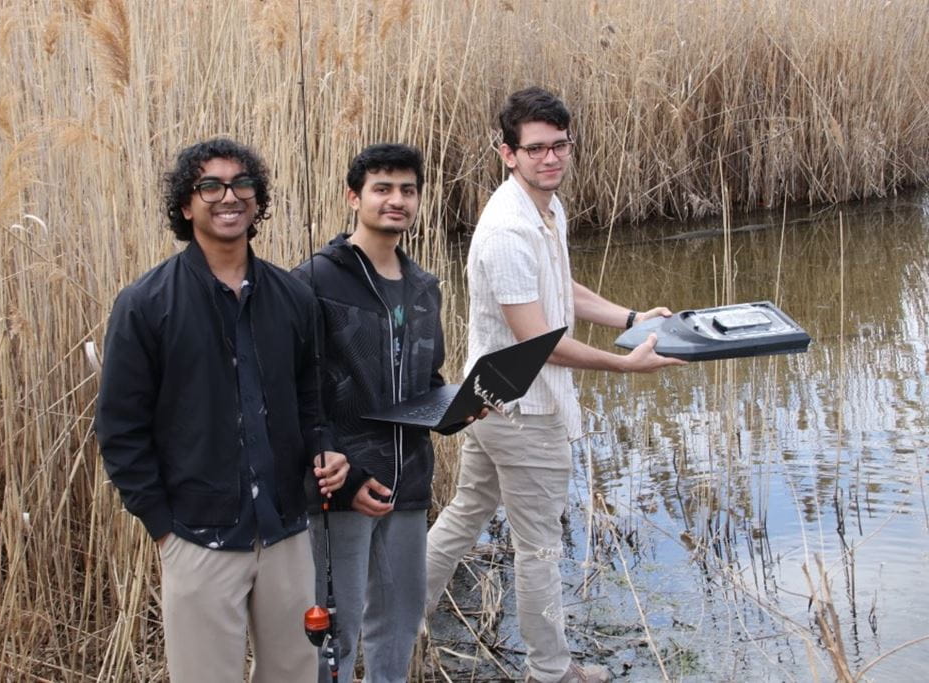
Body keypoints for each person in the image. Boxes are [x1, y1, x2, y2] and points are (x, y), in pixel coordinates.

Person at [424, 88, 687, 683]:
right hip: (521, 409)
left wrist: (630, 318)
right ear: (506, 153)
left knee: (467, 511)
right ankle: (550, 670)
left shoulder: (547, 208)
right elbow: (534, 342)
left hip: (488, 399)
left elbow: (560, 288)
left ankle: (399, 615)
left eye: (559, 146)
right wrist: (624, 365)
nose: (550, 158)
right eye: (535, 149)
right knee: (538, 546)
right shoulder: (508, 231)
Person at [95, 137, 349, 683]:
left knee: (298, 675)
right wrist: (163, 527)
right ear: (186, 206)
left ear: (257, 201)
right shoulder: (145, 304)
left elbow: (311, 401)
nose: (227, 196)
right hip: (197, 537)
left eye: (241, 184)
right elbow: (119, 429)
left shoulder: (293, 297)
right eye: (209, 185)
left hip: (285, 531)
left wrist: (325, 448)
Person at [293, 143, 469, 683]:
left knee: (398, 621)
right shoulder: (315, 279)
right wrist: (342, 479)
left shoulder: (423, 287)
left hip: (408, 483)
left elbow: (427, 383)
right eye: (383, 188)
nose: (397, 200)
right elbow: (298, 393)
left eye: (408, 190)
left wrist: (461, 409)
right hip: (343, 488)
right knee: (335, 633)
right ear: (354, 197)